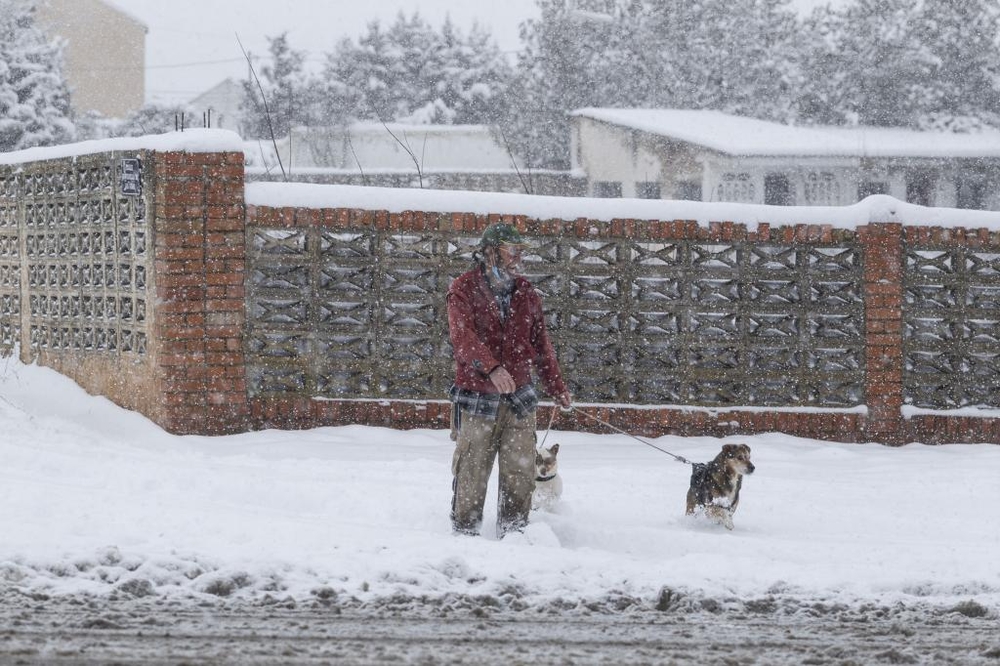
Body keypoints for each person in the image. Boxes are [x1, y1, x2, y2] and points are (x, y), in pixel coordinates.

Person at [447, 222, 572, 538]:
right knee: (471, 471)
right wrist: (490, 367)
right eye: (511, 250)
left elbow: (541, 345)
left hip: (520, 400)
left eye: (521, 251)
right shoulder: (463, 289)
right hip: (477, 399)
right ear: (490, 253)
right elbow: (462, 338)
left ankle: (515, 532)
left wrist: (556, 386)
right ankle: (465, 532)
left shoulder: (527, 294)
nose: (518, 257)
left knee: (519, 471)